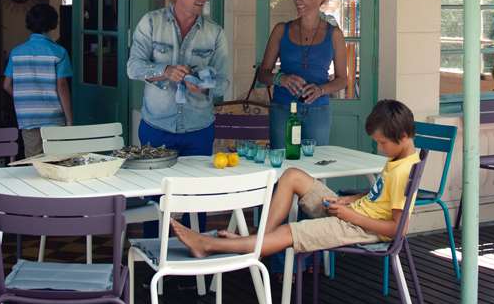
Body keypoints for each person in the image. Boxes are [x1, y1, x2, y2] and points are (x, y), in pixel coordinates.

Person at [171, 100, 420, 259]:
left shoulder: (402, 172)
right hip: (352, 214)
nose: (380, 148)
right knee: (292, 176)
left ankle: (208, 244)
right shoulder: (397, 159)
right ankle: (257, 240)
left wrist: (352, 216)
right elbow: (378, 197)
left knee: (290, 231)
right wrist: (347, 201)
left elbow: (398, 229)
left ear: (404, 134)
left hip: (359, 227)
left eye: (382, 143)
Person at [127, 0, 230, 156]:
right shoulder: (151, 22)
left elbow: (223, 83)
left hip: (199, 130)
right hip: (157, 128)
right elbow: (133, 67)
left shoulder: (215, 32)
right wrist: (165, 71)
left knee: (197, 186)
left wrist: (204, 87)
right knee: (156, 185)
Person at [257, 0, 348, 150]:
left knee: (315, 168)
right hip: (283, 108)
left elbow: (342, 79)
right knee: (281, 165)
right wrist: (280, 79)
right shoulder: (281, 30)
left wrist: (321, 90)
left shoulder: (334, 34)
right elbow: (262, 74)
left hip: (317, 111)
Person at [2, 3, 73, 158]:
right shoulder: (59, 52)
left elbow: (6, 85)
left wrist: (23, 98)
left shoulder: (16, 53)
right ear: (53, 24)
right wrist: (69, 119)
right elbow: (62, 86)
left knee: (34, 160)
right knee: (56, 159)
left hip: (27, 117)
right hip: (53, 116)